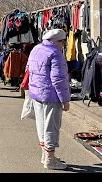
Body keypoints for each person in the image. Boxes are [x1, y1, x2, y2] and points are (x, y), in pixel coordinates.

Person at [27, 28, 70, 170]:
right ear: (57, 41)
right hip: (51, 95)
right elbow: (58, 79)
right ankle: (50, 160)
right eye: (63, 42)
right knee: (51, 126)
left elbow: (28, 69)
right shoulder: (56, 54)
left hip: (36, 93)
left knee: (41, 125)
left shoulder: (36, 48)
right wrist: (65, 100)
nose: (63, 45)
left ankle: (45, 156)